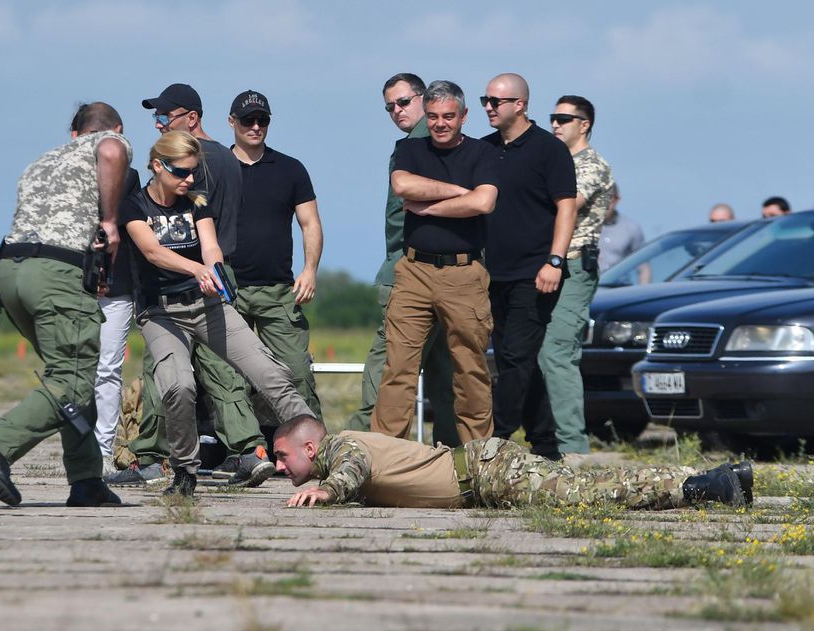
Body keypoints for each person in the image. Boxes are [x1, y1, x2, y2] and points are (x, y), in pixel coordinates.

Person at [0, 101, 128, 508]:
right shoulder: (109, 142)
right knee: (72, 381)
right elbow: (112, 152)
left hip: (11, 272)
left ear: (72, 133)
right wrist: (110, 223)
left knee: (69, 375)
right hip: (57, 273)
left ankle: (87, 481)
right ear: (115, 128)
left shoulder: (42, 161)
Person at [122, 131, 312, 497]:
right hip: (161, 312)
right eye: (182, 172)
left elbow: (210, 247)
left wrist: (214, 271)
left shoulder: (195, 202)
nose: (190, 180)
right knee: (179, 385)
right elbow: (152, 252)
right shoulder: (135, 206)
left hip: (206, 304)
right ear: (158, 167)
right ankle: (184, 471)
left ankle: (325, 453)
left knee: (271, 374)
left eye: (194, 172)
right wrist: (196, 270)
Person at [114, 83, 274, 488]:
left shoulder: (189, 165)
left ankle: (154, 456)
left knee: (162, 373)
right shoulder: (228, 158)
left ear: (192, 118)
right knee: (223, 367)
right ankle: (249, 449)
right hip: (219, 268)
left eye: (165, 117)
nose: (158, 125)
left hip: (188, 272)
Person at [369, 80, 500, 443]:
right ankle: (385, 454)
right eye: (433, 116)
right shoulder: (409, 149)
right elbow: (403, 186)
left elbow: (483, 203)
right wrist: (461, 192)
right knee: (398, 368)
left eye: (448, 116)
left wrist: (429, 207)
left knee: (469, 368)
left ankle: (478, 456)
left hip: (464, 273)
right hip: (413, 272)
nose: (440, 123)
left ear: (463, 116)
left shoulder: (483, 154)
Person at [273, 415, 753, 510]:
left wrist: (328, 490)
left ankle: (699, 490)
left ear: (310, 449)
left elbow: (352, 468)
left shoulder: (340, 446)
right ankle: (711, 478)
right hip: (483, 469)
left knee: (589, 493)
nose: (279, 468)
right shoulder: (331, 452)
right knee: (597, 481)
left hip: (486, 473)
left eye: (282, 457)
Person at [346, 73, 459, 446]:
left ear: (424, 98)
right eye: (389, 106)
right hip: (439, 272)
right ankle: (455, 462)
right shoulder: (422, 144)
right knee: (449, 376)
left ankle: (363, 451)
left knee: (389, 374)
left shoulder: (421, 144)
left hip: (413, 272)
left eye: (404, 102)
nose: (396, 111)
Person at [479, 73, 577, 461]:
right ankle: (546, 442)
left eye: (495, 101)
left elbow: (566, 207)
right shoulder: (484, 149)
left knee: (517, 358)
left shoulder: (548, 150)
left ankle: (496, 440)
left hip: (536, 273)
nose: (488, 106)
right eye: (484, 99)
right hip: (491, 273)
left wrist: (555, 260)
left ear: (519, 105)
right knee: (513, 358)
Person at [227, 89, 324, 419]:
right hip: (228, 291)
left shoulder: (291, 169)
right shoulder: (217, 169)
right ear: (232, 122)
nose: (255, 127)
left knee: (297, 372)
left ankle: (315, 450)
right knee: (229, 378)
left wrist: (310, 270)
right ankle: (242, 452)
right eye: (247, 120)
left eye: (262, 120)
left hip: (278, 291)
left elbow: (310, 224)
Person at [540, 96, 614, 457]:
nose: (555, 124)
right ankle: (545, 441)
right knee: (532, 352)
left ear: (584, 124)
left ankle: (573, 448)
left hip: (573, 266)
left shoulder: (592, 165)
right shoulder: (555, 161)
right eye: (553, 117)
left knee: (557, 353)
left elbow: (567, 204)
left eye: (564, 118)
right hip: (544, 265)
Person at [92, 164, 141, 466]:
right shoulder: (63, 176)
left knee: (108, 368)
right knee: (74, 368)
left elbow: (136, 235)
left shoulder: (130, 178)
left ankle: (103, 450)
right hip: (72, 282)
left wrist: (140, 289)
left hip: (118, 286)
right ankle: (80, 446)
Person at [597, 184, 644, 274]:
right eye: (599, 200)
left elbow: (642, 264)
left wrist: (644, 287)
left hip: (619, 284)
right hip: (588, 283)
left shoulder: (631, 228)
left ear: (616, 199)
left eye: (607, 199)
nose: (603, 205)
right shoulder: (583, 227)